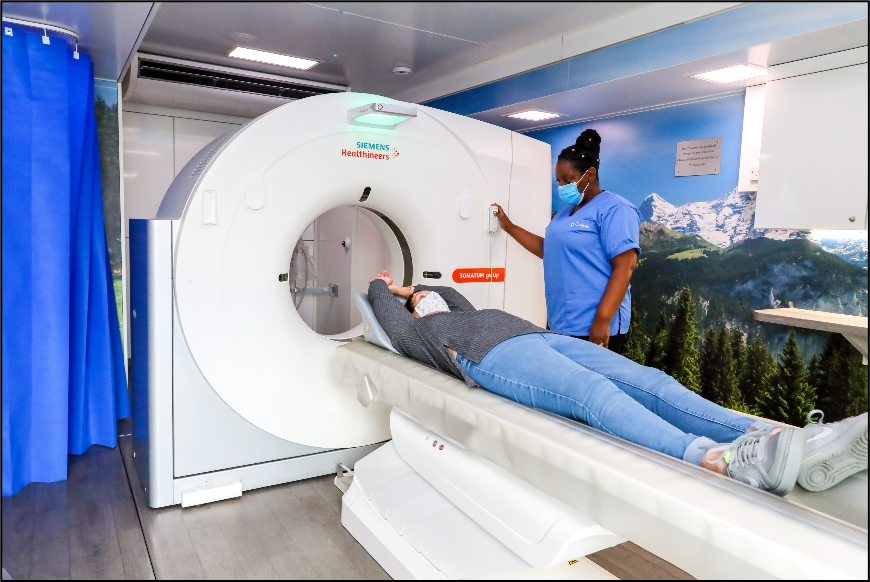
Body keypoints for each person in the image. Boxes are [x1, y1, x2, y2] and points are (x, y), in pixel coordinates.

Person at [368, 271, 869, 496]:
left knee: (651, 381)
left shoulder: (458, 309)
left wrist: (418, 289)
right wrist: (387, 290)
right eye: (416, 304)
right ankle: (720, 459)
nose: (424, 304)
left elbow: (451, 294)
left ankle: (773, 436)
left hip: (540, 336)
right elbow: (386, 310)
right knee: (593, 395)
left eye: (421, 300)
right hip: (491, 357)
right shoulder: (419, 334)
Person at [492, 129, 642, 353]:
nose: (562, 186)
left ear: (590, 174)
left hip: (596, 327)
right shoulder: (566, 213)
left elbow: (625, 267)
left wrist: (602, 320)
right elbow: (548, 249)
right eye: (558, 180)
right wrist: (509, 226)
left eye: (568, 179)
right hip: (562, 322)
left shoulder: (616, 209)